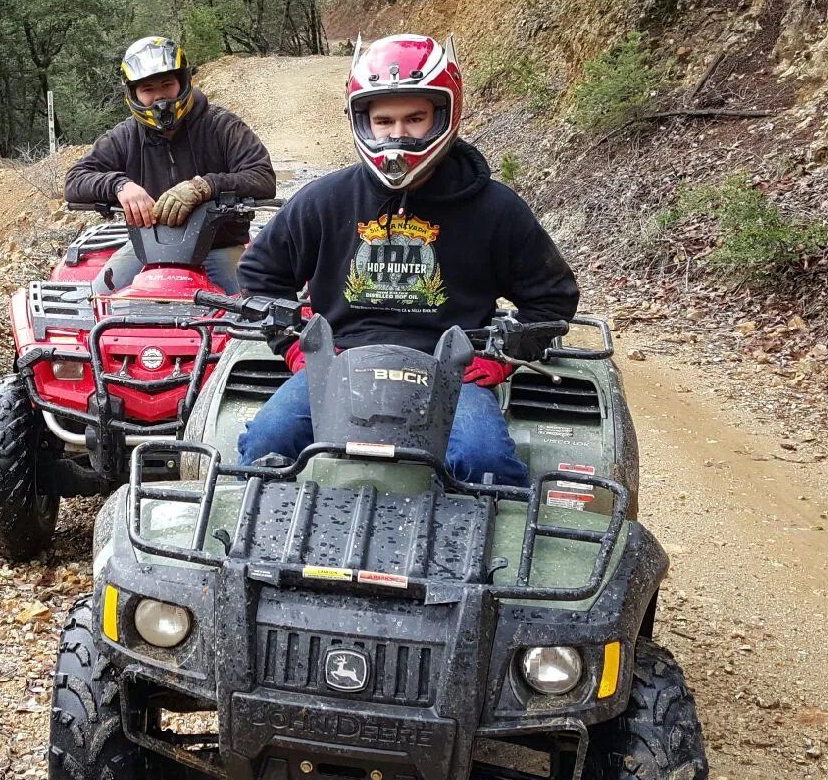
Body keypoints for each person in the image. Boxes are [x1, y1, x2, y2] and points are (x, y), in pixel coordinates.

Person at [236, 33, 579, 486]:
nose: (397, 134)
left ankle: (480, 557)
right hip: (340, 365)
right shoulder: (326, 199)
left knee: (486, 461)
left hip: (450, 373)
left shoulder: (496, 209)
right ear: (363, 121)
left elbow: (553, 298)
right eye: (384, 120)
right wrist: (300, 346)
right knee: (267, 442)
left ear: (444, 114)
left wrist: (500, 358)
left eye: (415, 118)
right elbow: (260, 275)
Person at [64, 36, 275, 293]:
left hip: (219, 246)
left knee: (255, 307)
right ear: (134, 94)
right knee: (98, 299)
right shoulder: (125, 136)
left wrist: (205, 186)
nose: (160, 97)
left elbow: (262, 176)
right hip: (147, 249)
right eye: (148, 89)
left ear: (183, 83)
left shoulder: (222, 126)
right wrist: (119, 185)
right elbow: (75, 180)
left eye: (167, 84)